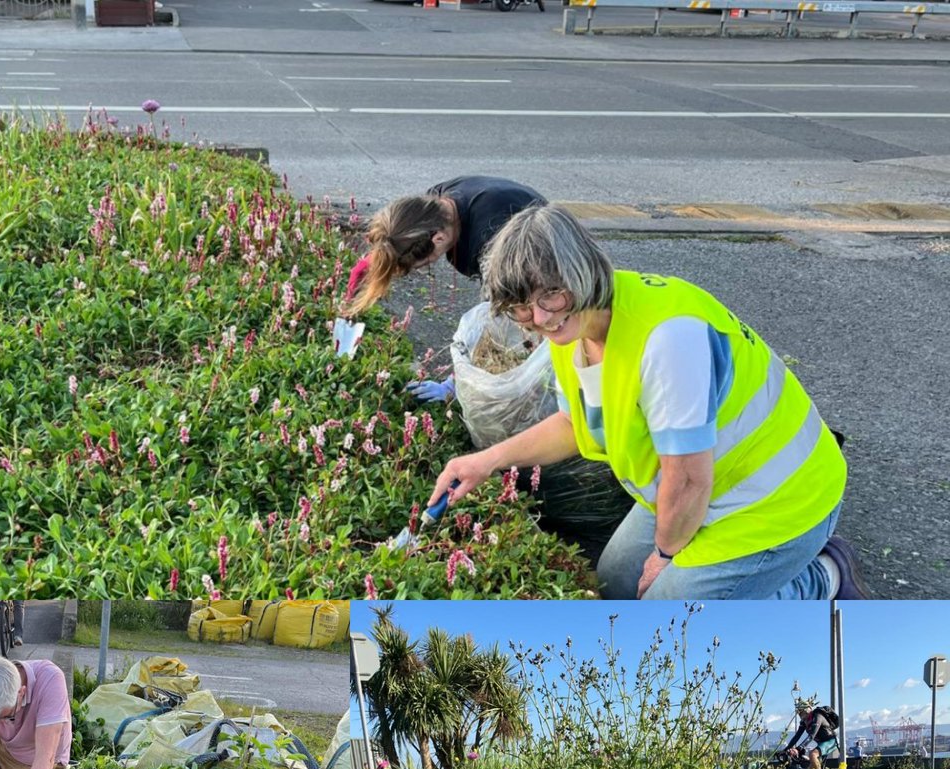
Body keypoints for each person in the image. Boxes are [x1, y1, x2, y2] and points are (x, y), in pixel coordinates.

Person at [427, 204, 868, 600]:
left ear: (583, 271)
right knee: (613, 584)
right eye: (523, 307)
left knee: (668, 621)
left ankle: (822, 576)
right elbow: (574, 424)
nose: (540, 318)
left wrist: (665, 554)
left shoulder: (668, 339)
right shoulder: (572, 328)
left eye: (550, 296)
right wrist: (486, 461)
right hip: (704, 481)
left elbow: (690, 480)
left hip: (776, 501)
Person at [343, 176, 545, 402]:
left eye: (422, 264)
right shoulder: (435, 206)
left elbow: (494, 320)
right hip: (512, 213)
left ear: (438, 239)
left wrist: (455, 384)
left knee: (524, 331)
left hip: (543, 257)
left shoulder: (489, 240)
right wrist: (367, 268)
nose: (424, 267)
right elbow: (397, 236)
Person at [783, 699, 840, 769]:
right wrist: (786, 749)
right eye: (798, 713)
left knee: (812, 754)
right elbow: (797, 736)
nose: (799, 714)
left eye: (801, 712)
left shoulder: (817, 716)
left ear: (807, 710)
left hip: (831, 741)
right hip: (821, 743)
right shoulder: (804, 722)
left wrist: (798, 748)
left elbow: (812, 735)